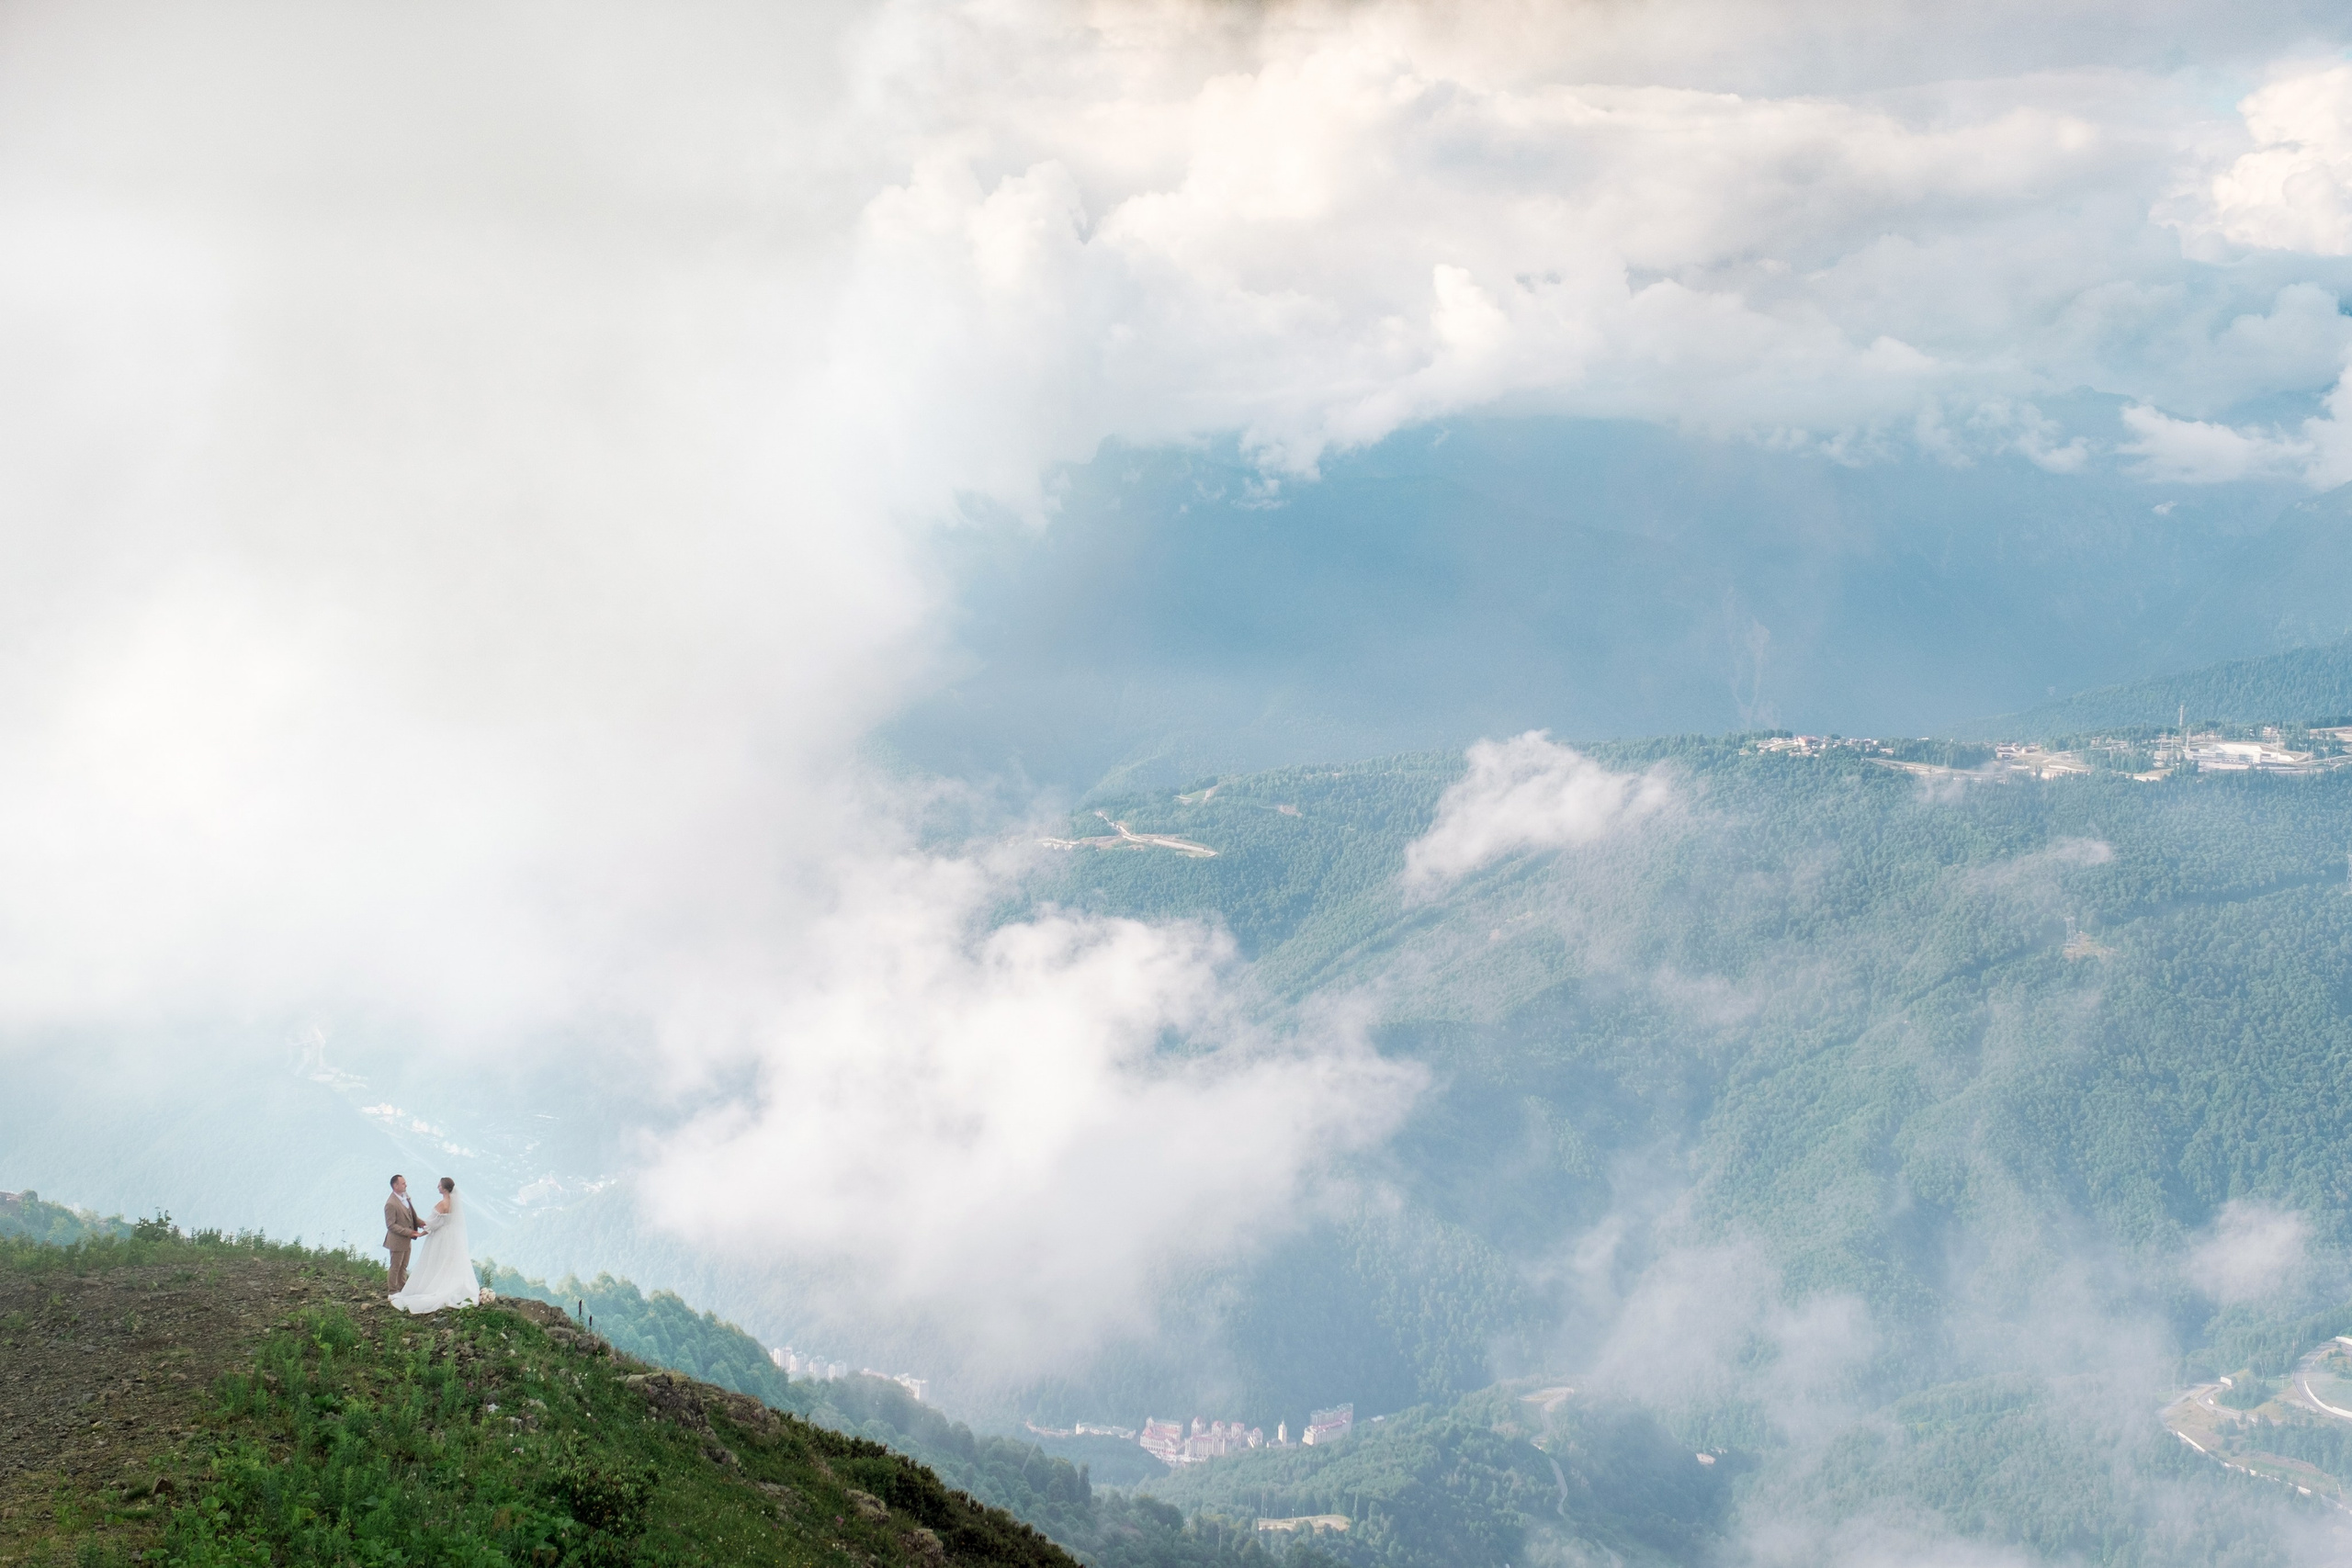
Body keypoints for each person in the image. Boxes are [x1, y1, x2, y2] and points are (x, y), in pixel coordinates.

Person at [389, 1177, 481, 1314]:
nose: (437, 1187)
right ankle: (446, 1284)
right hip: (452, 1237)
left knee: (435, 1261)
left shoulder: (442, 1204)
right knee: (449, 1262)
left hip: (440, 1237)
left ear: (444, 1189)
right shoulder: (454, 1203)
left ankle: (431, 1287)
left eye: (439, 1186)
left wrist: (422, 1232)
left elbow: (433, 1223)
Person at [383, 1175, 425, 1294]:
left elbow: (411, 1215)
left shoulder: (405, 1197)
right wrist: (409, 1232)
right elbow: (391, 1225)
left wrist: (422, 1223)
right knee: (395, 1266)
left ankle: (403, 1287)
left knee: (404, 1266)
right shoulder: (390, 1204)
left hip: (407, 1240)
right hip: (397, 1241)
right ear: (395, 1186)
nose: (406, 1185)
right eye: (403, 1183)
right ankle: (393, 1290)